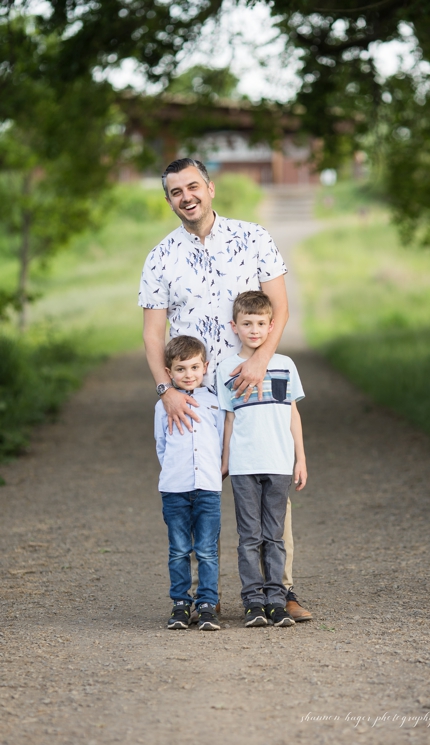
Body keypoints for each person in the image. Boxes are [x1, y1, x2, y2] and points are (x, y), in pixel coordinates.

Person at [139, 158, 313, 622]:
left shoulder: (253, 237)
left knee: (268, 479)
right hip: (193, 394)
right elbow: (154, 335)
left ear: (210, 188)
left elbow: (280, 308)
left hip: (246, 383)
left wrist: (258, 361)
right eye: (176, 191)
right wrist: (166, 391)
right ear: (170, 200)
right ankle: (202, 597)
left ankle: (282, 590)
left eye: (193, 186)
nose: (186, 196)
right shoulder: (161, 256)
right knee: (200, 491)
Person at [218, 291, 308, 628]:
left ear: (272, 326)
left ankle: (276, 600)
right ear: (235, 326)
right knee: (249, 536)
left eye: (260, 323)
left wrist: (300, 459)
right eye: (247, 323)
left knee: (275, 536)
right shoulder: (227, 368)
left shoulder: (285, 365)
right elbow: (228, 419)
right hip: (244, 465)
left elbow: (292, 415)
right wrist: (225, 460)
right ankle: (253, 601)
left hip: (279, 462)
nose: (254, 330)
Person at [155, 335, 226, 631]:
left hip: (208, 486)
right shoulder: (163, 405)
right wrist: (175, 470)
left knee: (207, 549)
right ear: (169, 372)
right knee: (179, 549)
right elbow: (161, 444)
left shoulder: (214, 401)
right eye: (181, 369)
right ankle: (181, 604)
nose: (188, 374)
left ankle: (207, 604)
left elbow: (222, 438)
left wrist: (217, 468)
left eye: (194, 367)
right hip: (175, 489)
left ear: (205, 366)